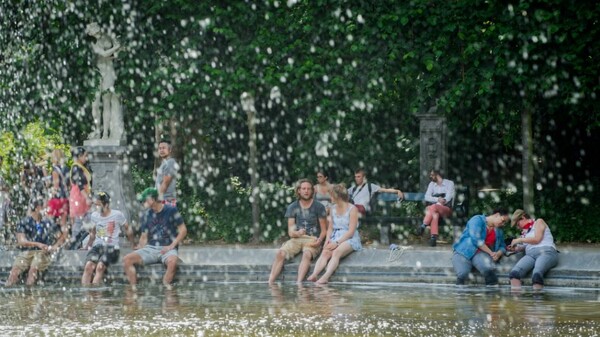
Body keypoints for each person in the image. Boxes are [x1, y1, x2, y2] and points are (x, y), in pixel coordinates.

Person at [122, 187, 187, 287]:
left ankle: (166, 289)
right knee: (127, 259)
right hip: (151, 248)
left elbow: (183, 230)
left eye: (144, 200)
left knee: (172, 262)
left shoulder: (171, 210)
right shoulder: (146, 215)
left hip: (168, 248)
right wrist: (139, 249)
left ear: (152, 199)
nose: (142, 202)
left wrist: (172, 245)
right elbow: (144, 237)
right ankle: (133, 291)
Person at [268, 179, 327, 284]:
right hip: (297, 238)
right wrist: (297, 233)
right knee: (280, 253)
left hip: (313, 239)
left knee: (307, 254)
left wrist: (320, 240)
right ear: (299, 191)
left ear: (312, 191)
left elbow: (324, 230)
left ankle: (299, 284)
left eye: (309, 189)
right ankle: (270, 282)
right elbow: (290, 232)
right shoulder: (292, 207)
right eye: (303, 189)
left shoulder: (319, 206)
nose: (306, 191)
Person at [307, 184, 361, 284]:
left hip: (349, 238)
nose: (330, 198)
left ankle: (326, 277)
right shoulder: (333, 208)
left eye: (331, 195)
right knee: (325, 252)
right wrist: (327, 240)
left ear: (338, 197)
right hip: (336, 235)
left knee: (336, 252)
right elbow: (331, 227)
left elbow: (351, 231)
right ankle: (314, 274)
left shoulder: (353, 209)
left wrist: (336, 243)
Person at [5, 200, 64, 286]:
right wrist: (38, 244)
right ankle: (8, 293)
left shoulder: (48, 222)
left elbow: (62, 237)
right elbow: (22, 241)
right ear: (38, 208)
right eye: (45, 207)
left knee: (33, 270)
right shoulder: (25, 222)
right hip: (26, 252)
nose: (47, 209)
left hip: (42, 252)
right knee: (14, 271)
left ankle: (29, 295)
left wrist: (54, 246)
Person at [81, 191, 133, 284]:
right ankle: (86, 294)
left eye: (98, 205)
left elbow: (128, 228)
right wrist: (87, 246)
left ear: (106, 204)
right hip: (97, 247)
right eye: (95, 205)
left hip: (112, 247)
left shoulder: (117, 214)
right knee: (88, 266)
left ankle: (95, 294)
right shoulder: (94, 215)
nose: (96, 207)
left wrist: (132, 244)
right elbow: (93, 233)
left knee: (100, 267)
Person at [86, 22, 124, 141]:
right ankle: (97, 130)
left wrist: (117, 51)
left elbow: (116, 55)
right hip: (97, 73)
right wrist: (117, 47)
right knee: (95, 105)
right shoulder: (93, 44)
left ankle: (105, 133)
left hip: (109, 70)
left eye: (94, 26)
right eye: (91, 28)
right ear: (90, 33)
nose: (94, 28)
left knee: (106, 102)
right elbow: (104, 53)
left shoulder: (109, 36)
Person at [451, 209, 509, 286]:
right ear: (496, 215)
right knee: (462, 274)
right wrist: (491, 253)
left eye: (505, 223)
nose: (503, 224)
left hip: (481, 253)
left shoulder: (499, 230)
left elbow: (502, 246)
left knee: (488, 271)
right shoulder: (477, 220)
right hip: (463, 251)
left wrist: (498, 253)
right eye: (503, 220)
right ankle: (460, 296)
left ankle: (492, 295)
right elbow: (476, 239)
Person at [508, 209, 559, 290]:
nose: (518, 227)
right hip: (530, 255)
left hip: (546, 252)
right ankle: (516, 300)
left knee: (536, 275)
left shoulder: (539, 222)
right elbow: (526, 246)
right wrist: (515, 248)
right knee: (514, 274)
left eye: (518, 224)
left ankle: (537, 301)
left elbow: (537, 239)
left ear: (523, 217)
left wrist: (519, 240)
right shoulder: (524, 232)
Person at [416, 169, 455, 247]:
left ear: (437, 175)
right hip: (434, 210)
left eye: (432, 175)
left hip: (446, 209)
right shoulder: (431, 184)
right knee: (434, 213)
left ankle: (423, 225)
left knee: (432, 207)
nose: (430, 177)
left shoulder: (449, 183)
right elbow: (426, 197)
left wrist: (437, 202)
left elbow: (448, 198)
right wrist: (437, 199)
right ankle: (433, 238)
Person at [68, 146, 92, 250]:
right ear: (79, 156)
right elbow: (80, 184)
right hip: (79, 196)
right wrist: (87, 197)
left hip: (82, 196)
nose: (87, 158)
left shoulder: (81, 167)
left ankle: (77, 243)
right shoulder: (76, 167)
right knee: (79, 221)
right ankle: (75, 244)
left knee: (84, 220)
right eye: (85, 156)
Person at [47, 149, 70, 234]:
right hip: (65, 198)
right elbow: (69, 185)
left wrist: (49, 195)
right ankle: (65, 241)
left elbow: (55, 187)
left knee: (50, 220)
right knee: (63, 222)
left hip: (57, 199)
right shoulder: (67, 168)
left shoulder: (55, 170)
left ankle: (54, 240)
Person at [155, 139, 179, 206]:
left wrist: (157, 199)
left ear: (170, 150)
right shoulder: (165, 163)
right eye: (159, 148)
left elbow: (166, 182)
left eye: (164, 148)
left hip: (166, 201)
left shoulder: (170, 162)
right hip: (163, 200)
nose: (161, 150)